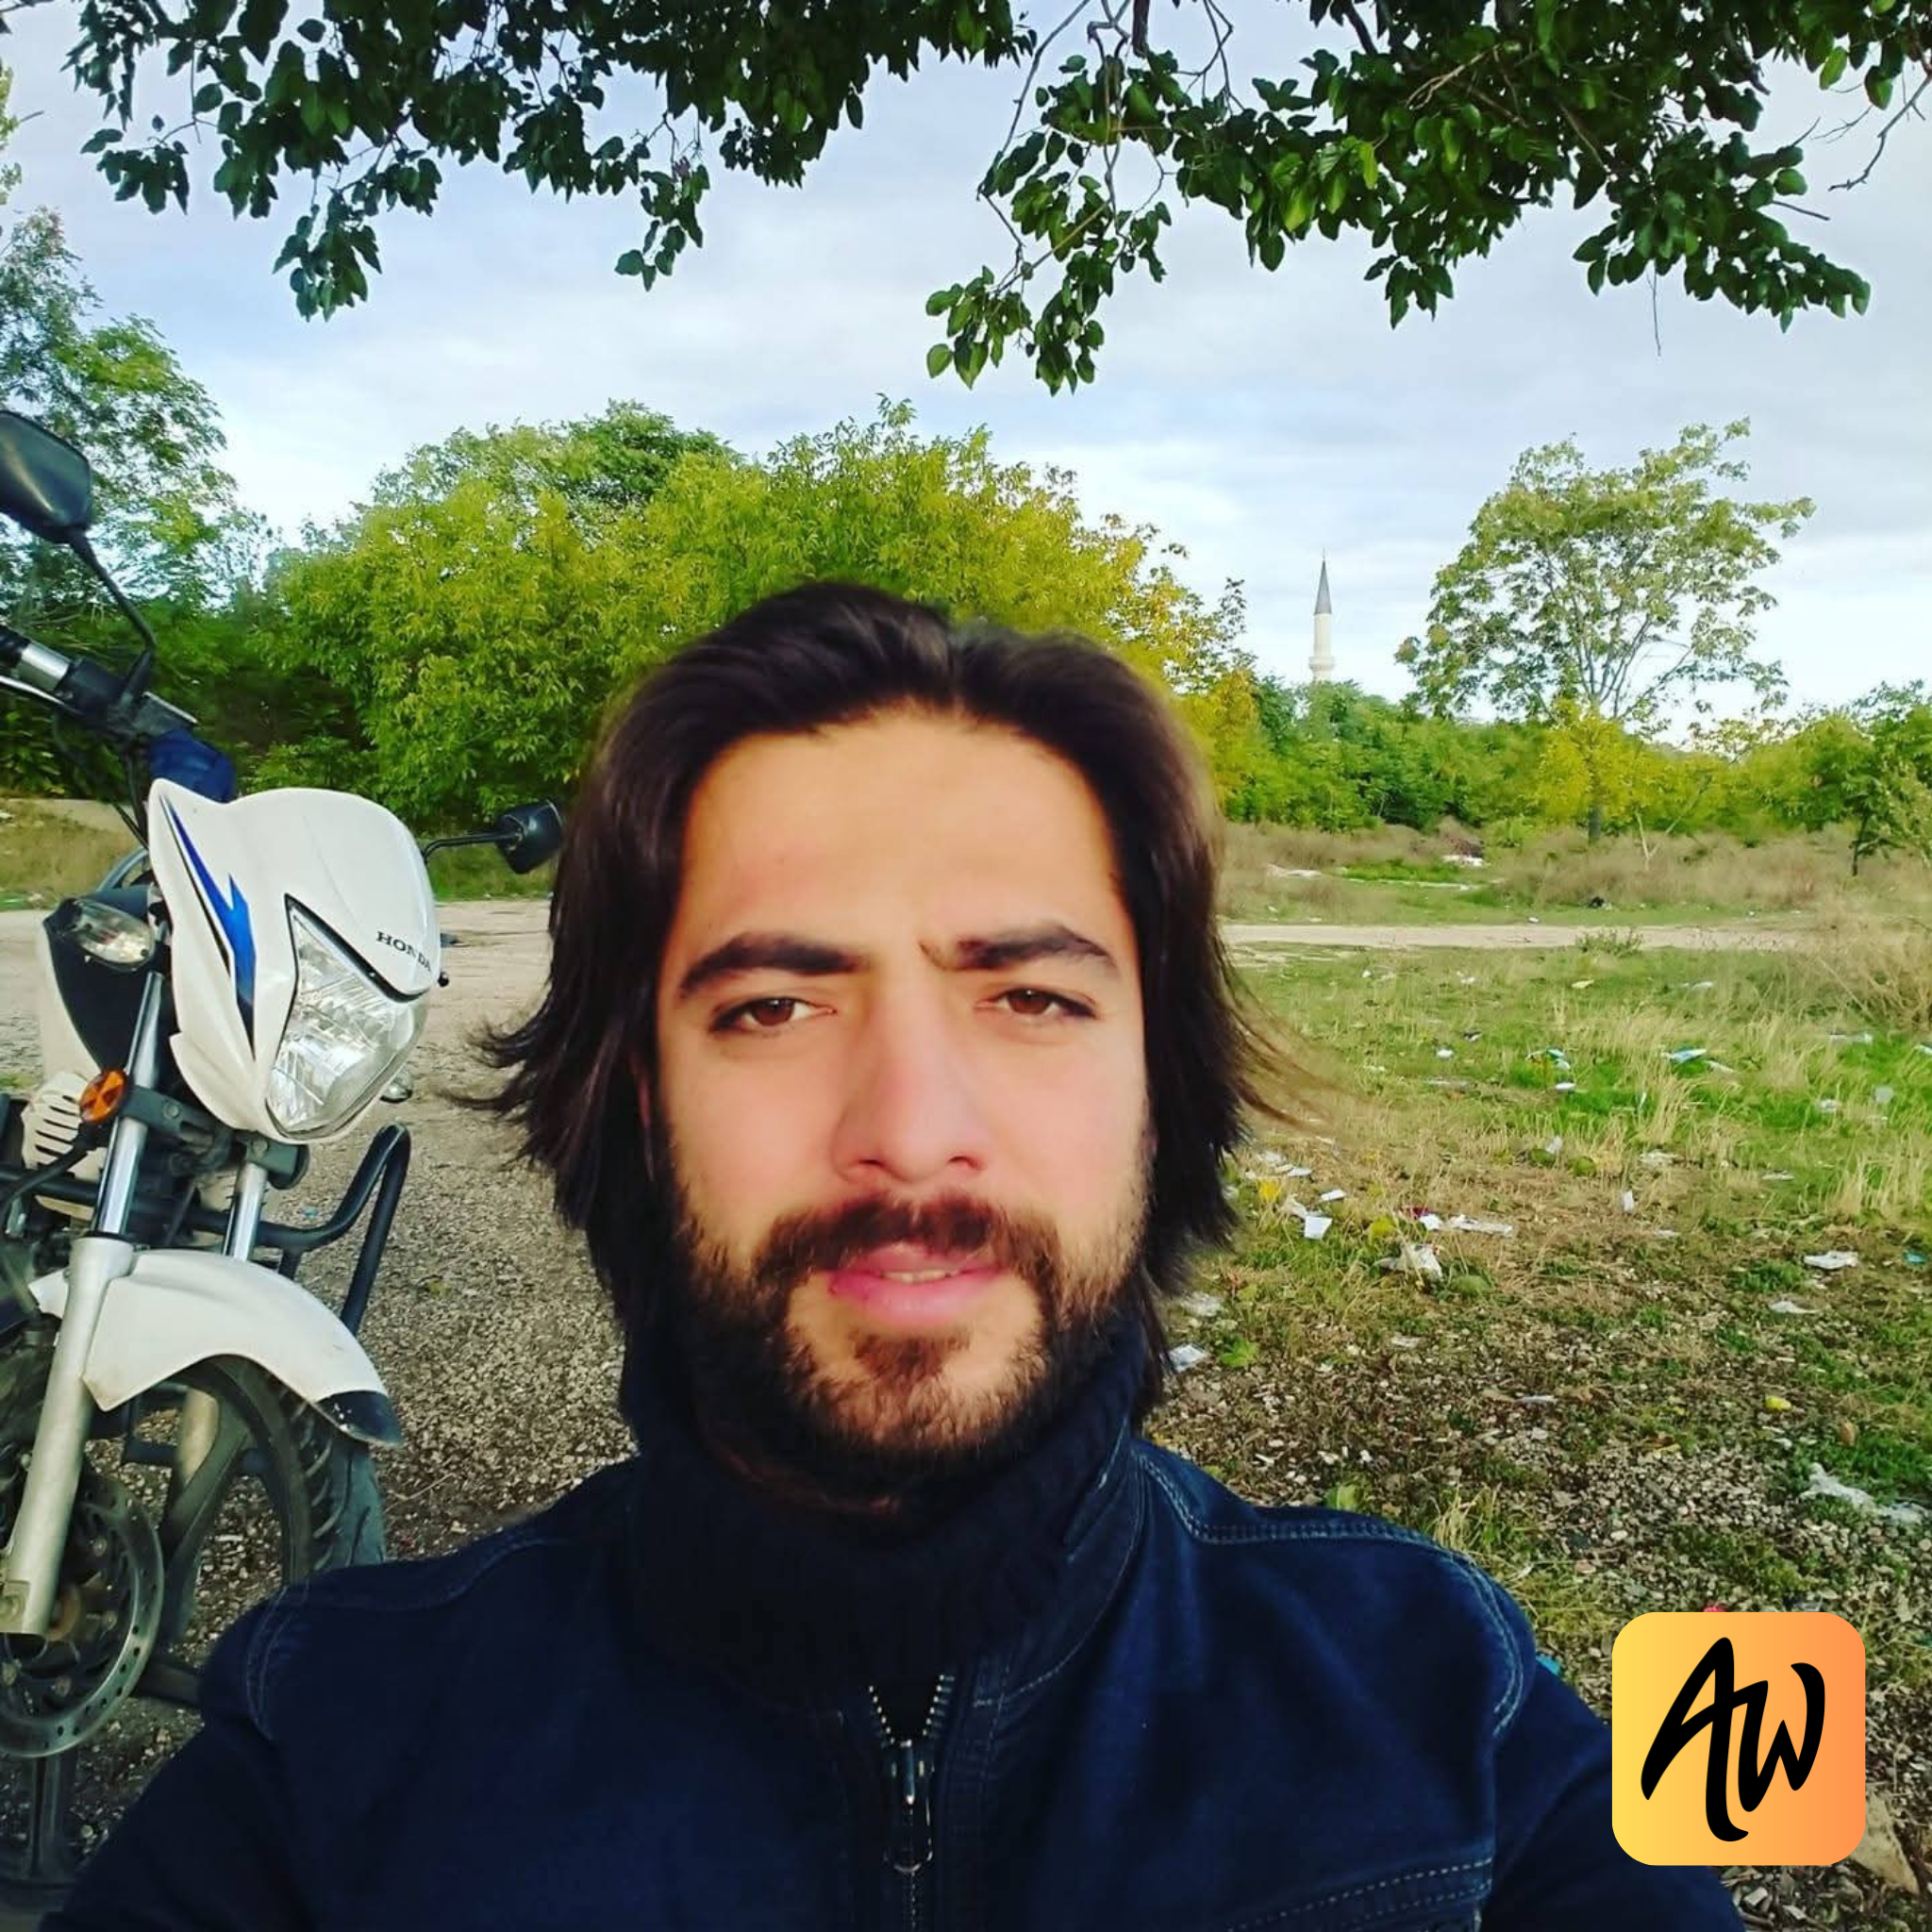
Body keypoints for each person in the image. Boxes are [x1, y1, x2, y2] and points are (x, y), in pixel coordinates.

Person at [51, 582, 1741, 1929]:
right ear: (634, 1102)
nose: (914, 1131)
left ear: (1164, 1090)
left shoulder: (1448, 1707)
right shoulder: (335, 1753)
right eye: (774, 1007)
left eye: (1033, 998)